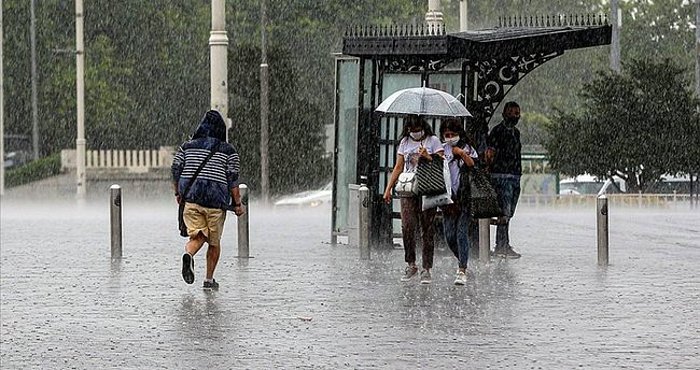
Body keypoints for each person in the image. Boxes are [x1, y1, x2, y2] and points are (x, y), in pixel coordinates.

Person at [171, 110, 245, 290]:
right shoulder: (228, 151)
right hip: (216, 203)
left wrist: (178, 193)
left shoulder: (187, 147)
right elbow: (232, 180)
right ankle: (209, 280)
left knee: (198, 235)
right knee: (213, 242)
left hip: (192, 199)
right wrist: (237, 204)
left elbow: (175, 170)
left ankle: (189, 253)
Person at [383, 115, 444, 284]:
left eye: (418, 130)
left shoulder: (433, 141)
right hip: (409, 188)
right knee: (407, 225)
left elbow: (442, 162)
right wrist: (389, 188)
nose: (415, 133)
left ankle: (426, 267)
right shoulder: (404, 142)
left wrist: (428, 156)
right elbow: (399, 166)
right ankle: (411, 263)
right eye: (412, 130)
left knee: (427, 227)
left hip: (428, 187)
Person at [439, 118, 477, 285]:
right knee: (449, 235)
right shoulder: (441, 149)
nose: (449, 137)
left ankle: (462, 268)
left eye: (452, 134)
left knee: (461, 233)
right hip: (448, 199)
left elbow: (473, 164)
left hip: (464, 197)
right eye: (446, 134)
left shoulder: (467, 148)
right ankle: (463, 259)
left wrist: (461, 153)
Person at [485, 102, 522, 259]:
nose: (515, 116)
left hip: (514, 175)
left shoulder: (516, 133)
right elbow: (490, 153)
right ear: (504, 114)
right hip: (501, 175)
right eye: (512, 112)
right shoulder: (497, 132)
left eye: (517, 113)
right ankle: (501, 245)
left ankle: (503, 243)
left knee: (509, 211)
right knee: (504, 212)